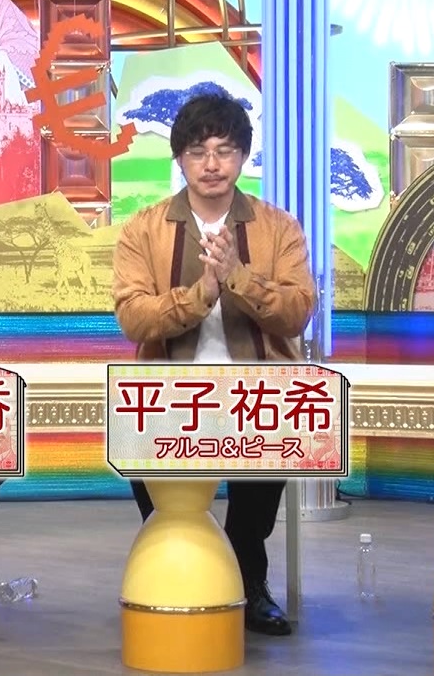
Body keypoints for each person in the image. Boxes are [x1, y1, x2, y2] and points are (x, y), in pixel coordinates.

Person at [111, 92, 316, 637]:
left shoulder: (278, 227)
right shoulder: (143, 229)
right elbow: (134, 318)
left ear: (243, 156)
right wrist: (202, 293)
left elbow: (298, 311)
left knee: (274, 424)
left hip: (256, 394)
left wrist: (237, 278)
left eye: (224, 150)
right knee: (143, 436)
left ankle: (248, 577)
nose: (211, 164)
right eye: (198, 151)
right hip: (170, 392)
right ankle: (180, 565)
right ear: (179, 158)